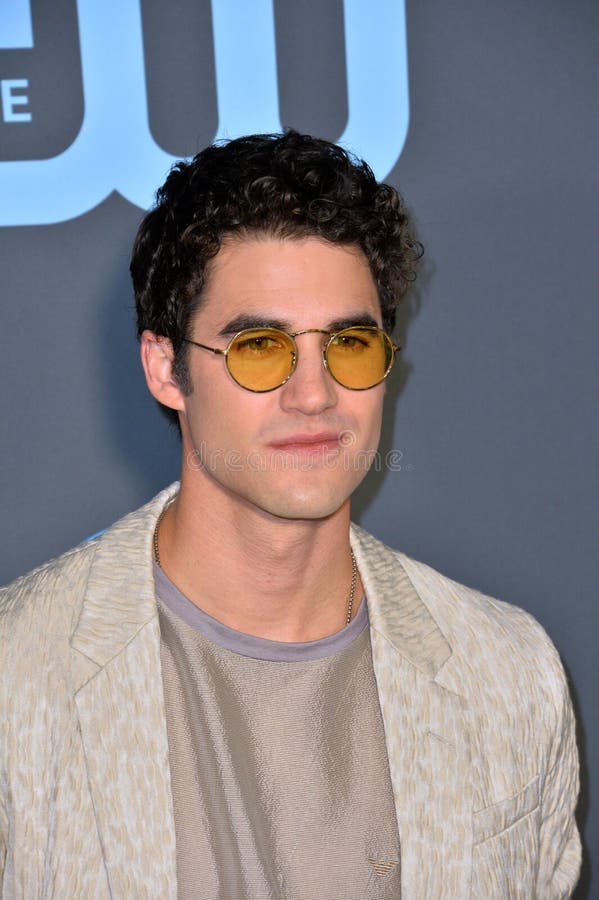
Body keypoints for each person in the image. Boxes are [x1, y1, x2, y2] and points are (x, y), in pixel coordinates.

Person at [0, 131, 580, 899]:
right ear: (165, 369)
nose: (314, 394)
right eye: (261, 347)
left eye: (348, 342)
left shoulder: (508, 670)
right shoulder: (18, 676)